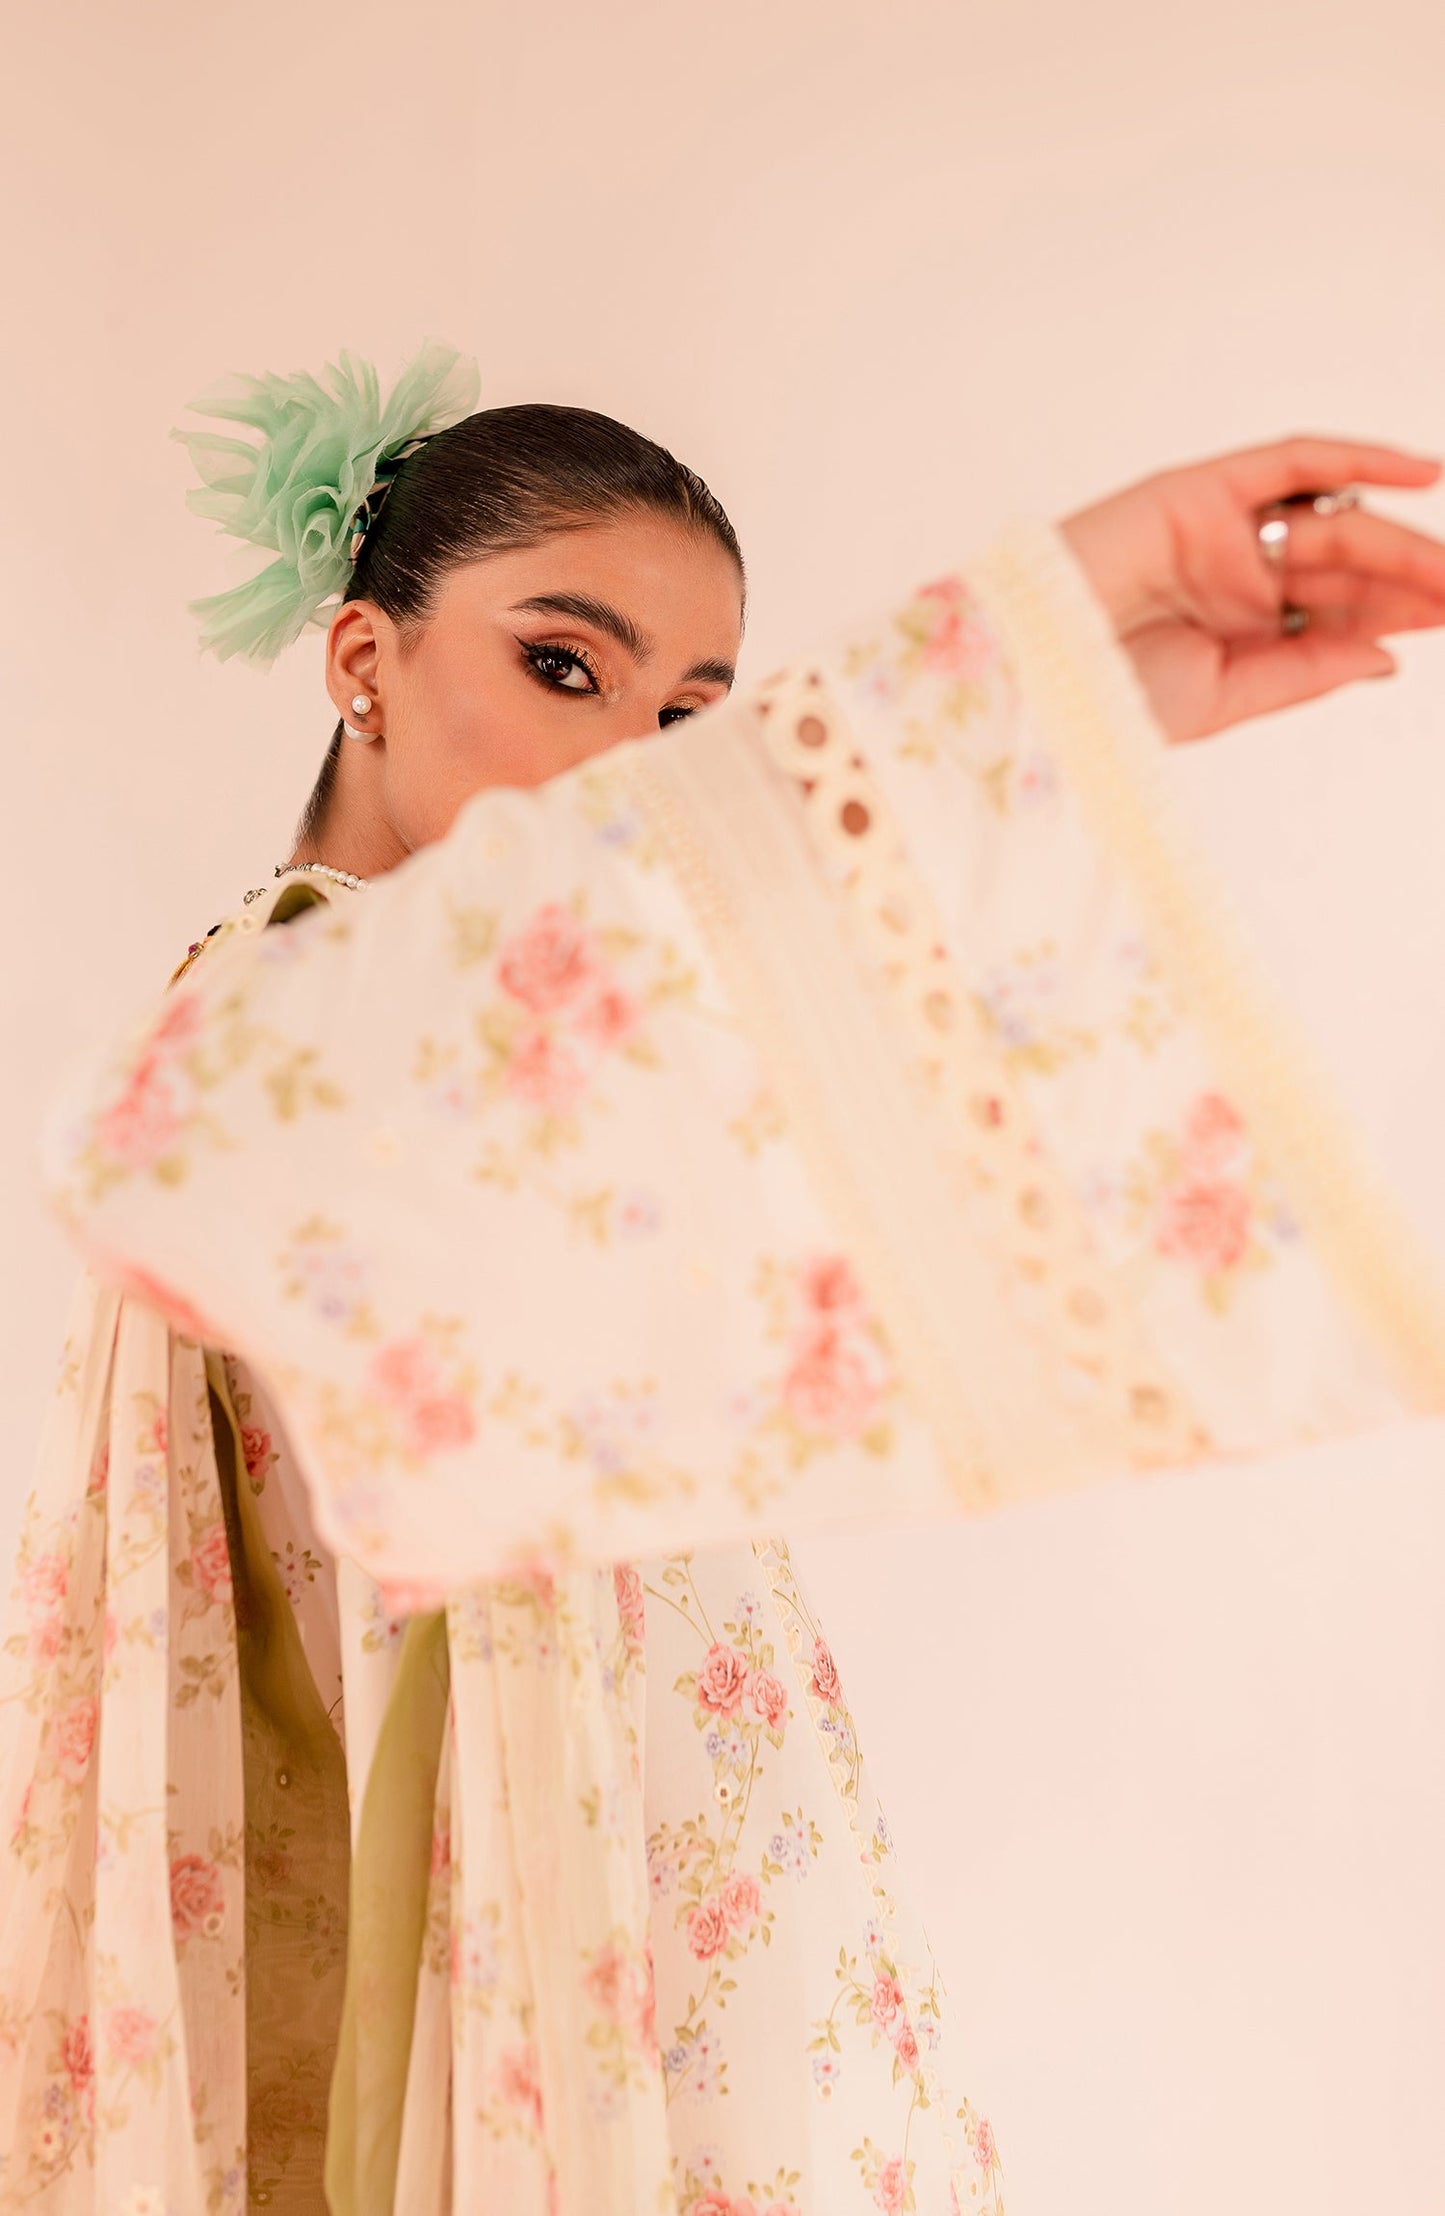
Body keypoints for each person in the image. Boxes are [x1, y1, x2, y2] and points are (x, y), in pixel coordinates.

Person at [6, 343, 1445, 2216]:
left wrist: (1053, 703)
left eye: (691, 719)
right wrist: (1026, 651)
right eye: (562, 667)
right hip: (552, 1926)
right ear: (364, 661)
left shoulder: (480, 1040)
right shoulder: (305, 1014)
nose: (630, 763)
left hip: (654, 1874)